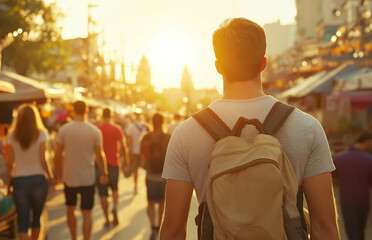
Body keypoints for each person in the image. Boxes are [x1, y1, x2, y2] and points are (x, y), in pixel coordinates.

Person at [160, 18, 340, 239]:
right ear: (263, 63)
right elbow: (325, 227)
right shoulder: (307, 127)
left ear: (218, 66)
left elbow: (173, 230)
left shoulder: (186, 133)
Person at [53, 100, 108, 240]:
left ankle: (73, 238)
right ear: (87, 111)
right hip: (87, 177)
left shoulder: (64, 130)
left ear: (72, 111)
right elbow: (100, 154)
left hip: (69, 176)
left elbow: (58, 154)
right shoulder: (94, 131)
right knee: (87, 212)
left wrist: (55, 174)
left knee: (70, 209)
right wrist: (104, 173)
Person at [6, 104, 54, 240]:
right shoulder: (41, 134)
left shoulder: (11, 136)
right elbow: (43, 159)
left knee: (23, 222)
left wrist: (8, 184)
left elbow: (10, 163)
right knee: (36, 219)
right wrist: (51, 176)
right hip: (39, 179)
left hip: (19, 181)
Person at [332, 132, 372, 240]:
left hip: (347, 202)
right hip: (364, 202)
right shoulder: (369, 159)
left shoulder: (339, 158)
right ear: (367, 141)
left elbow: (332, 181)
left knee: (352, 233)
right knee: (360, 232)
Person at [96, 107, 128, 227]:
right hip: (114, 162)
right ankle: (114, 207)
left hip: (99, 164)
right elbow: (124, 146)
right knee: (115, 188)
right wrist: (125, 161)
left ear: (102, 115)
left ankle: (107, 219)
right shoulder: (116, 128)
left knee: (103, 193)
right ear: (111, 115)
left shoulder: (98, 129)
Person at [140, 113, 170, 240]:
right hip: (164, 175)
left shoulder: (146, 136)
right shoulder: (167, 137)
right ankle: (160, 226)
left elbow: (142, 155)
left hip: (150, 174)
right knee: (162, 203)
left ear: (151, 122)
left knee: (151, 203)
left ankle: (153, 226)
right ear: (163, 122)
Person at [126, 110, 149, 194]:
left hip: (135, 151)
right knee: (146, 170)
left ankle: (135, 186)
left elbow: (130, 143)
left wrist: (130, 154)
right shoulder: (146, 127)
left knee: (135, 169)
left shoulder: (131, 128)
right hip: (145, 153)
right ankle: (146, 186)